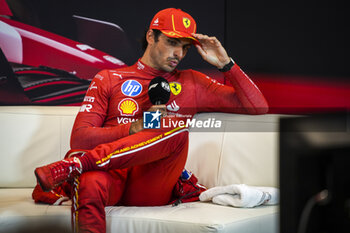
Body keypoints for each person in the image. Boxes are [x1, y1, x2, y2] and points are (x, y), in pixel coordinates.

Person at [34, 8, 269, 233]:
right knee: (89, 181)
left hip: (151, 182)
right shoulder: (109, 78)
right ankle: (83, 168)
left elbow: (259, 107)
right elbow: (80, 137)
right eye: (172, 42)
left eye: (185, 47)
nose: (179, 54)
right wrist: (135, 127)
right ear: (151, 36)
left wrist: (226, 64)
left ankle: (76, 165)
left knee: (174, 126)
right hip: (110, 175)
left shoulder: (193, 82)